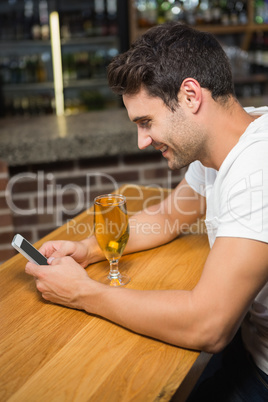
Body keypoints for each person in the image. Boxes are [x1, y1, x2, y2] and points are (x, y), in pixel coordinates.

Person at [25, 22, 268, 400]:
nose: (142, 141)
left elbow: (209, 324)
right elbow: (165, 218)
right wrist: (90, 248)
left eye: (146, 122)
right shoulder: (227, 139)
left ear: (190, 96)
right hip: (248, 346)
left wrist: (82, 293)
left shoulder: (258, 168)